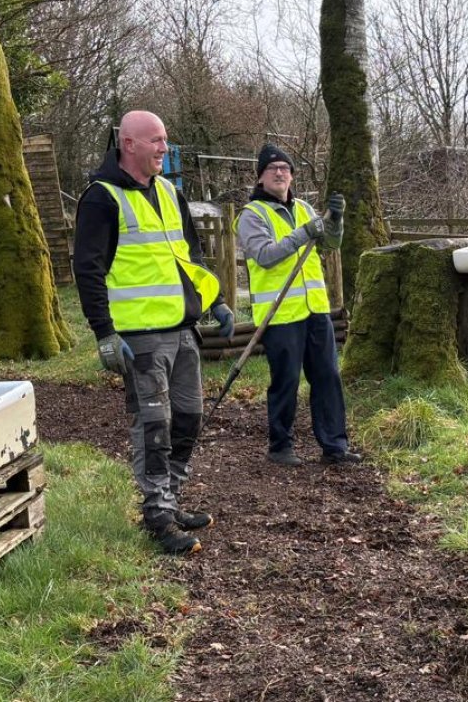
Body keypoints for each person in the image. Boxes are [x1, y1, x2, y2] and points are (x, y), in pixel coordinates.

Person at [73, 110, 236, 555]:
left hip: (182, 330)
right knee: (153, 425)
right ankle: (157, 515)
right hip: (139, 337)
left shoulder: (169, 191)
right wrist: (104, 333)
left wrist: (213, 301)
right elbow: (87, 270)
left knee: (188, 418)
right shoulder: (101, 198)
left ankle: (170, 496)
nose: (165, 148)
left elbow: (189, 256)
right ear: (129, 144)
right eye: (157, 141)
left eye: (165, 141)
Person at [236, 144, 360, 467]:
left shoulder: (304, 207)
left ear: (292, 175)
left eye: (285, 168)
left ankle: (335, 446)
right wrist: (306, 233)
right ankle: (280, 446)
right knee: (286, 380)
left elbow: (331, 243)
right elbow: (264, 256)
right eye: (273, 168)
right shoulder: (252, 215)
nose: (280, 172)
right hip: (280, 314)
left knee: (327, 377)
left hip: (315, 310)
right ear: (260, 177)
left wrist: (336, 221)